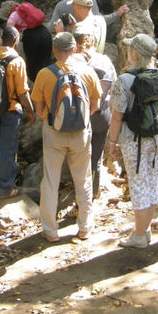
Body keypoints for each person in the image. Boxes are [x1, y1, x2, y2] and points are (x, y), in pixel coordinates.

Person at [30, 32, 103, 242]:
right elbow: (96, 105)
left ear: (54, 50)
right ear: (74, 50)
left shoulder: (44, 74)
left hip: (54, 133)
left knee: (50, 181)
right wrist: (81, 120)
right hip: (81, 134)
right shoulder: (88, 72)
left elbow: (38, 108)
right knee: (83, 180)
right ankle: (84, 227)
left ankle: (51, 231)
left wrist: (51, 118)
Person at [106, 33, 158, 248]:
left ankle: (139, 235)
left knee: (138, 185)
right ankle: (145, 231)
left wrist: (112, 143)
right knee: (152, 182)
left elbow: (117, 116)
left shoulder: (124, 80)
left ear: (134, 53)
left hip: (133, 141)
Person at [0, 26, 36, 198]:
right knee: (8, 148)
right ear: (16, 40)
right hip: (11, 110)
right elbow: (22, 91)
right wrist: (31, 110)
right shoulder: (17, 61)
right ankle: (5, 187)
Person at [69, 23, 116, 199]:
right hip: (102, 115)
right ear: (94, 42)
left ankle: (80, 197)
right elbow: (114, 88)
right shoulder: (105, 61)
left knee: (79, 160)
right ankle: (94, 192)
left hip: (79, 115)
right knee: (95, 158)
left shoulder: (72, 61)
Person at [54, 0, 129, 53]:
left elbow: (72, 51)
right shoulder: (100, 20)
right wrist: (117, 13)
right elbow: (106, 19)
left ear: (80, 8)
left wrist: (60, 33)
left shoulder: (81, 27)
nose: (73, 11)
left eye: (74, 8)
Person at [6, 2, 53, 81]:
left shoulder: (13, 16)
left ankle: (36, 84)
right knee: (45, 60)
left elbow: (7, 32)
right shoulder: (26, 13)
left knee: (32, 63)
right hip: (44, 31)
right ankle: (48, 81)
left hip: (31, 37)